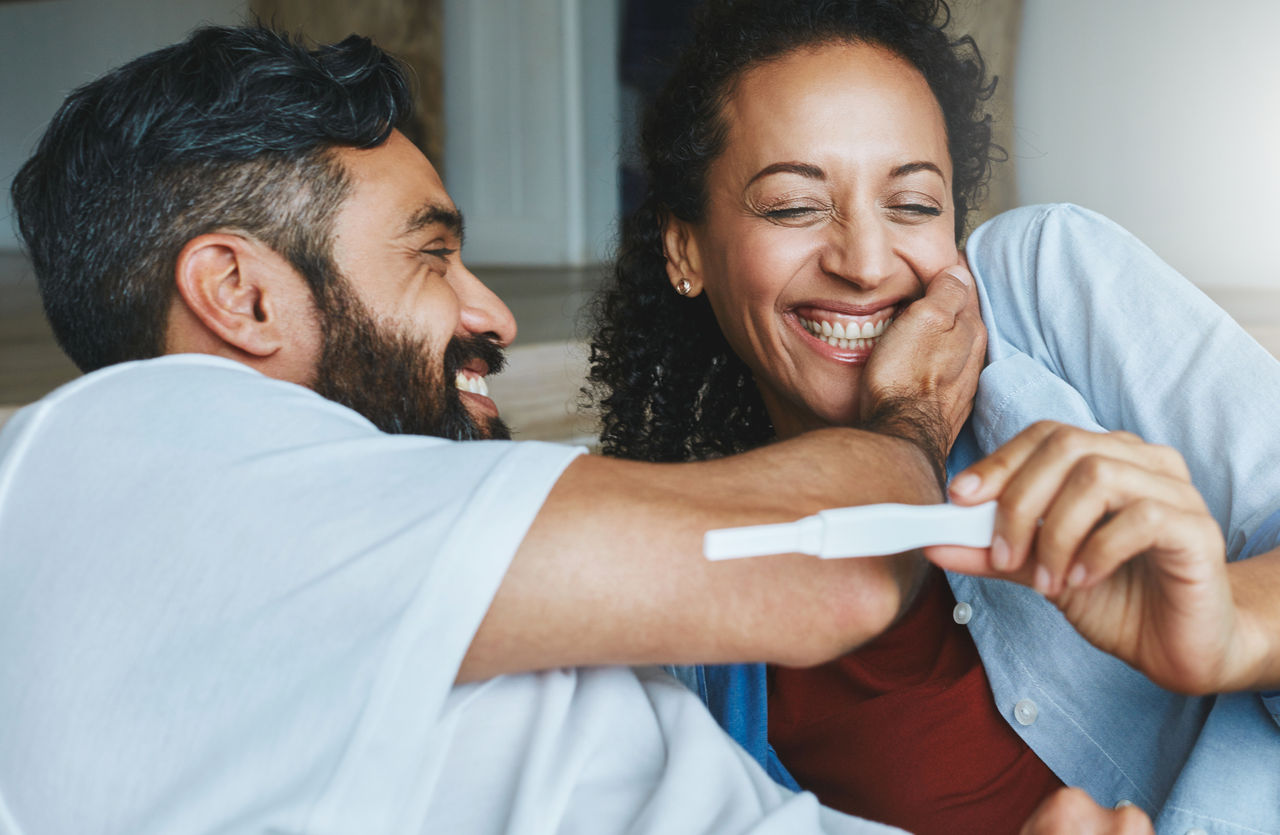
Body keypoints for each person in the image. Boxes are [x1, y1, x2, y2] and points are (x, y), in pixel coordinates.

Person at [0, 21, 1134, 835]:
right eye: (432, 255)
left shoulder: (319, 534)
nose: (488, 310)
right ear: (240, 294)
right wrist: (911, 411)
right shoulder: (136, 452)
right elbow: (824, 569)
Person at [586, 0, 1280, 833]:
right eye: (794, 207)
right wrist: (902, 422)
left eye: (913, 205)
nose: (868, 262)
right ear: (686, 249)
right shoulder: (695, 609)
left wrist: (1231, 627)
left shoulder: (1042, 287)